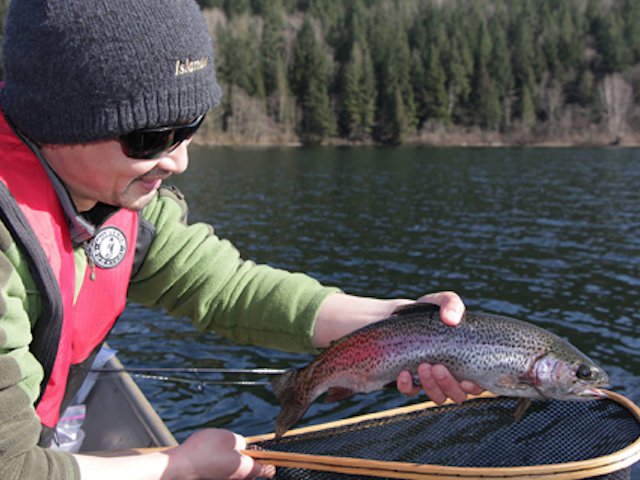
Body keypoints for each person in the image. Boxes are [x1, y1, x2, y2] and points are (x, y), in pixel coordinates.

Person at [0, 1, 481, 479]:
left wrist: (395, 322)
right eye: (149, 140)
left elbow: (226, 289)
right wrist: (182, 467)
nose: (178, 163)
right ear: (55, 121)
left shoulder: (120, 202)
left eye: (190, 129)